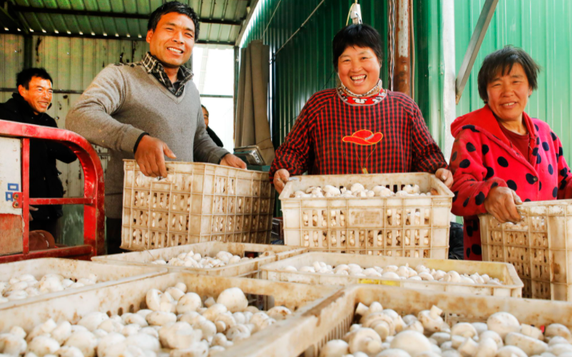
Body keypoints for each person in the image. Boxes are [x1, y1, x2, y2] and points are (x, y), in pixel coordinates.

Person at [66, 2, 245, 254]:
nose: (179, 39)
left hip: (183, 211)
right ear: (150, 35)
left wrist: (221, 155)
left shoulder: (191, 90)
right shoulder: (121, 77)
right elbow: (79, 116)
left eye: (188, 34)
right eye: (170, 29)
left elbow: (198, 138)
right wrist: (137, 140)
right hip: (134, 213)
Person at [449, 46, 572, 260]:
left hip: (543, 259)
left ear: (529, 87)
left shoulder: (545, 134)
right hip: (493, 261)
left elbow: (563, 185)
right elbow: (457, 190)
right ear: (485, 93)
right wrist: (489, 194)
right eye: (497, 84)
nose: (507, 91)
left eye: (516, 81)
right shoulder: (472, 134)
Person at [270, 24, 452, 193]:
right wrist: (283, 170)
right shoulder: (319, 105)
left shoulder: (404, 106)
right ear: (337, 66)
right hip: (331, 218)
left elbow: (426, 155)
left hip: (395, 217)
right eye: (346, 60)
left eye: (364, 57)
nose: (356, 68)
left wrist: (440, 172)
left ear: (379, 61)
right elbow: (294, 152)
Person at [0, 68, 77, 238]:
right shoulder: (4, 116)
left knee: (47, 254)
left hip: (47, 208)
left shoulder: (47, 121)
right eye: (39, 89)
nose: (46, 96)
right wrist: (11, 204)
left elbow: (68, 155)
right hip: (14, 208)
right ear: (22, 90)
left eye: (49, 91)